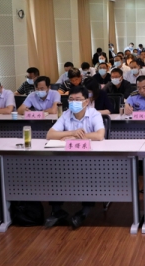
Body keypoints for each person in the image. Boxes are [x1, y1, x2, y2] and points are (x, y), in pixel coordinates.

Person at [45, 85, 105, 229]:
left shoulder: (94, 114)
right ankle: (57, 210)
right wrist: (72, 133)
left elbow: (99, 135)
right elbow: (50, 134)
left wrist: (76, 138)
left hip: (91, 160)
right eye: (71, 99)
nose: (74, 102)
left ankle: (84, 212)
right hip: (67, 159)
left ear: (86, 101)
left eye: (78, 99)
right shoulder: (66, 114)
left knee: (88, 176)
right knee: (54, 173)